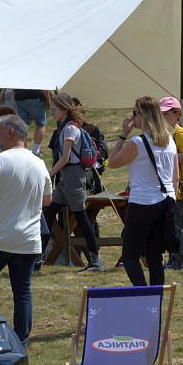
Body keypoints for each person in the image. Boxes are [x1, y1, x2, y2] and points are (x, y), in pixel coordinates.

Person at [0, 113, 51, 342]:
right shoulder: (39, 163)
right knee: (23, 291)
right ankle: (21, 340)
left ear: (10, 133)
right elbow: (47, 200)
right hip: (27, 240)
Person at [106, 97, 178, 287]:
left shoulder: (137, 143)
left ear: (144, 116)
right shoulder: (169, 141)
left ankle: (143, 294)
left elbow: (112, 163)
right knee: (155, 258)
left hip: (142, 202)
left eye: (135, 114)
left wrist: (123, 135)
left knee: (130, 255)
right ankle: (155, 299)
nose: (133, 118)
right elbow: (175, 177)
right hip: (166, 202)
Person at [40, 93, 105, 272]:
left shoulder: (69, 129)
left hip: (73, 177)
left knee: (82, 219)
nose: (52, 114)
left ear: (63, 109)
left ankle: (96, 260)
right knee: (48, 212)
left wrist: (48, 175)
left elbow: (65, 158)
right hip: (66, 178)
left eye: (54, 110)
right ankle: (37, 260)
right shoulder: (67, 127)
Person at [160, 97, 183, 269]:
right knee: (171, 225)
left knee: (178, 226)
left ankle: (180, 259)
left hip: (180, 186)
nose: (163, 117)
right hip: (169, 184)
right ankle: (174, 257)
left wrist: (169, 157)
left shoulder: (179, 132)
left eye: (166, 113)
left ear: (176, 114)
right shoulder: (166, 133)